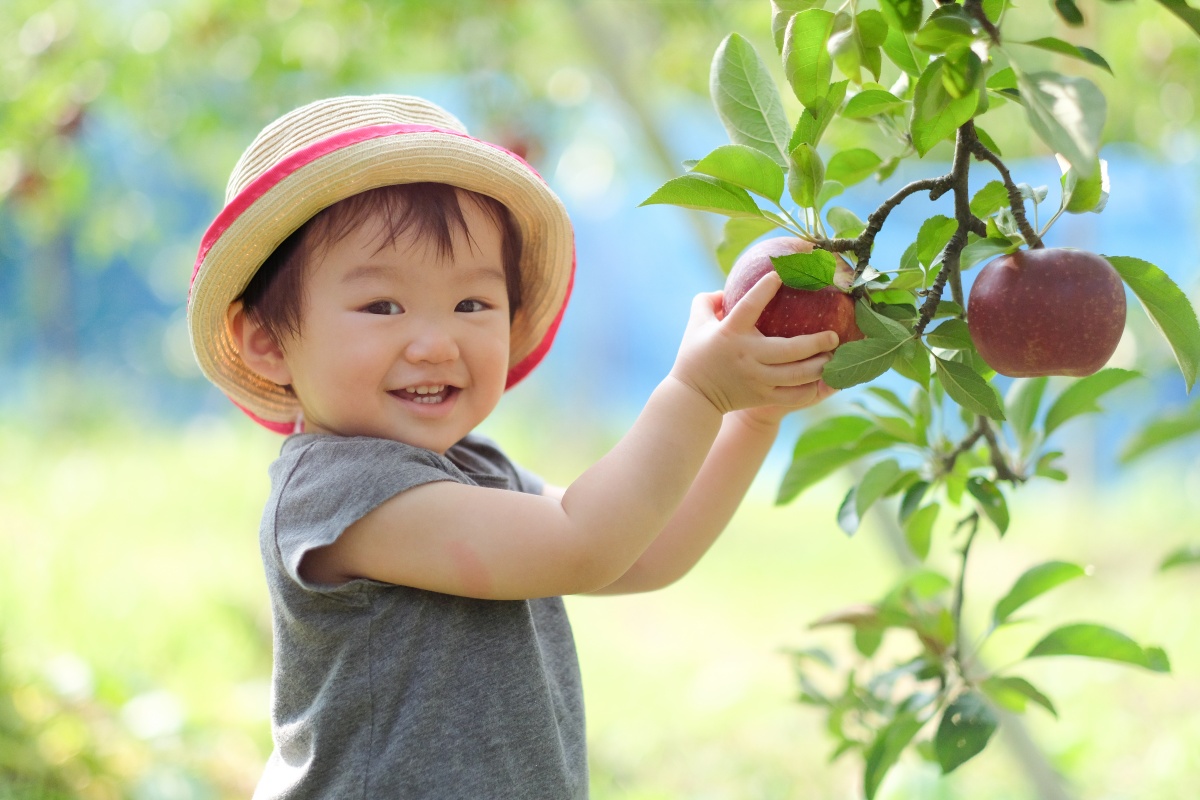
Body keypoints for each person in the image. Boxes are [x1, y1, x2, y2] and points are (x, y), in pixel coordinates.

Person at [187, 94, 839, 799]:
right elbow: (582, 542)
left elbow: (640, 551)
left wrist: (750, 419)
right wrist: (696, 394)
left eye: (472, 304)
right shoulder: (336, 493)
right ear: (267, 341)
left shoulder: (472, 469)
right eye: (382, 306)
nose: (436, 343)